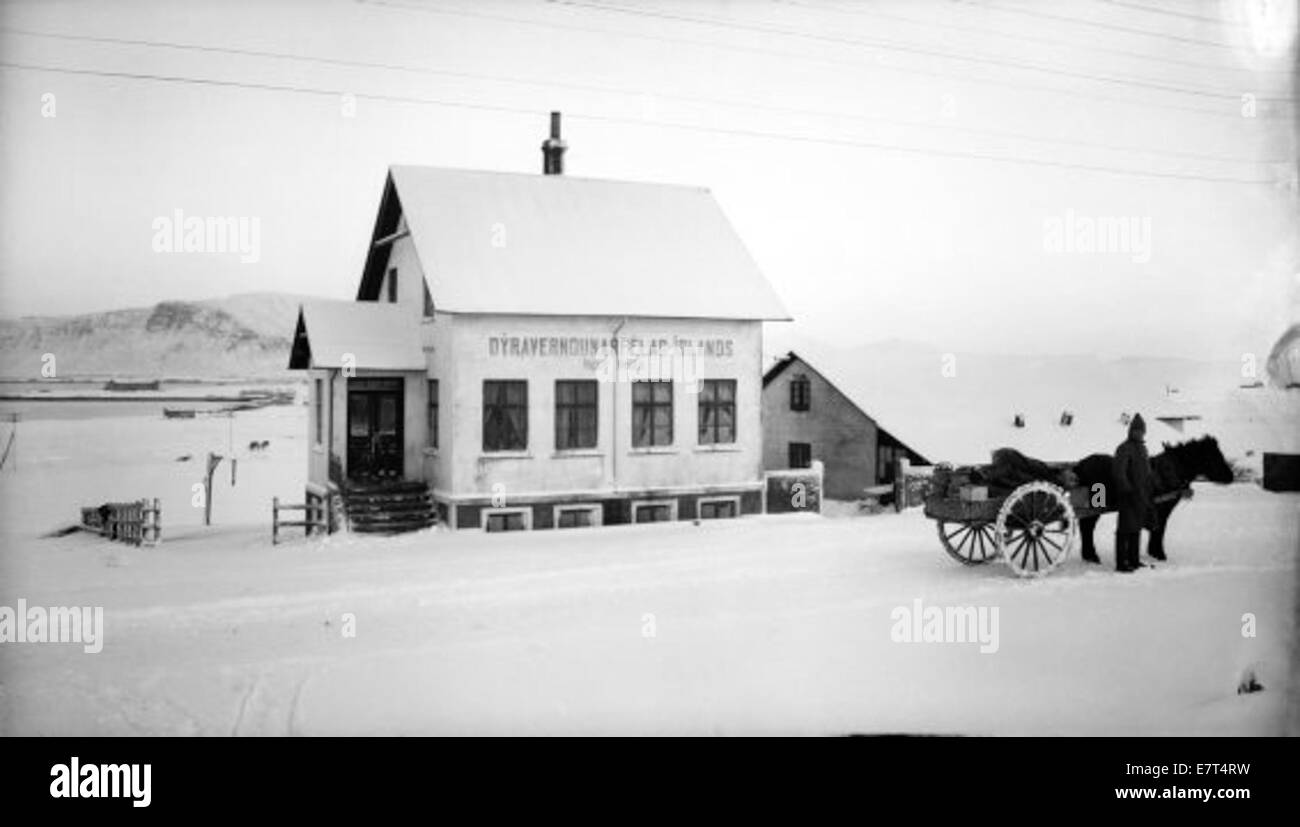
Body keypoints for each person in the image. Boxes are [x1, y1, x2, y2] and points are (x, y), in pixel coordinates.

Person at [1112, 413, 1155, 573]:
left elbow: (1147, 471)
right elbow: (1119, 472)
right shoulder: (1124, 448)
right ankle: (1121, 563)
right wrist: (1127, 489)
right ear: (1130, 431)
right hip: (1128, 495)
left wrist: (1148, 488)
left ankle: (1134, 560)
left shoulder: (1143, 449)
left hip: (1141, 495)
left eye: (1141, 431)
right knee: (1124, 529)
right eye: (1136, 430)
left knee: (1136, 528)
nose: (1139, 433)